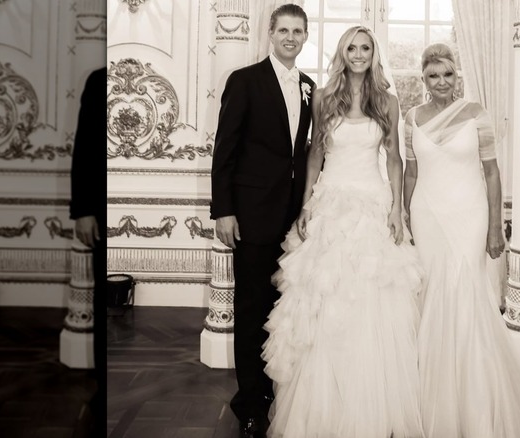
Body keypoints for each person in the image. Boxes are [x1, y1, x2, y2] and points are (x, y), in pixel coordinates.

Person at [261, 26, 425, 438]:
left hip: (371, 204)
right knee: (324, 300)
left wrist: (396, 212)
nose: (357, 54)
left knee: (371, 301)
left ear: (374, 54)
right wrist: (305, 206)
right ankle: (323, 408)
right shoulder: (322, 96)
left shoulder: (387, 99)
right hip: (330, 203)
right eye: (351, 47)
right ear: (342, 52)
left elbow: (394, 158)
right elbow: (315, 153)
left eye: (365, 48)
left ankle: (370, 404)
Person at [403, 43, 520, 437]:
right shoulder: (412, 117)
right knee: (432, 294)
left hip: (470, 214)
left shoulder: (476, 114)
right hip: (427, 216)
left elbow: (492, 173)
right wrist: (406, 222)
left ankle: (473, 394)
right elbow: (410, 174)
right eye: (432, 75)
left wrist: (497, 227)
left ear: (457, 76)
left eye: (447, 74)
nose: (441, 82)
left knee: (466, 292)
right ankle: (430, 393)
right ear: (423, 80)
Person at [209, 4, 316, 437]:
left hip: (291, 220)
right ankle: (250, 404)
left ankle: (274, 390)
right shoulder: (245, 80)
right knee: (252, 311)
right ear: (270, 33)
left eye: (298, 31)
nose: (291, 37)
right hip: (250, 217)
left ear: (306, 37)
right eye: (284, 30)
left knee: (281, 309)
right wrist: (224, 210)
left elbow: (305, 154)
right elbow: (225, 149)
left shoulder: (309, 87)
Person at [69, 66, 107, 438]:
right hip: (98, 209)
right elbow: (84, 146)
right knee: (99, 304)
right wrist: (82, 208)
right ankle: (101, 390)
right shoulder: (98, 79)